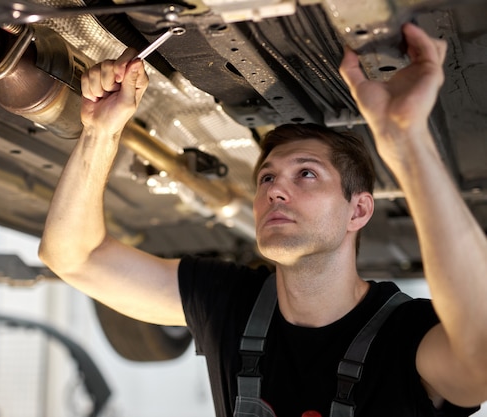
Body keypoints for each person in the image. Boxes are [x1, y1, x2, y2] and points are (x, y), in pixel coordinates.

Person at [39, 22, 487, 416]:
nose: (274, 188)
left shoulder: (405, 338)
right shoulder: (230, 304)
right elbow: (75, 257)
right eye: (267, 176)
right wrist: (101, 132)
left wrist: (406, 140)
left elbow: (480, 355)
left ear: (359, 210)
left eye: (306, 174)